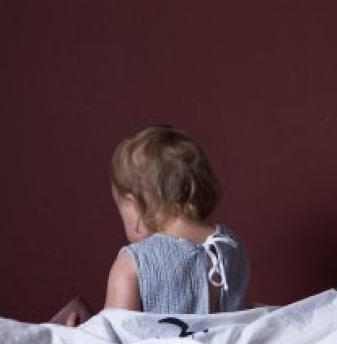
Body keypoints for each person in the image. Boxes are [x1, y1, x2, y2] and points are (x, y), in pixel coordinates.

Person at [105, 125, 249, 314]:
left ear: (135, 205)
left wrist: (80, 328)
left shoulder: (133, 263)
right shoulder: (230, 246)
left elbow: (116, 331)